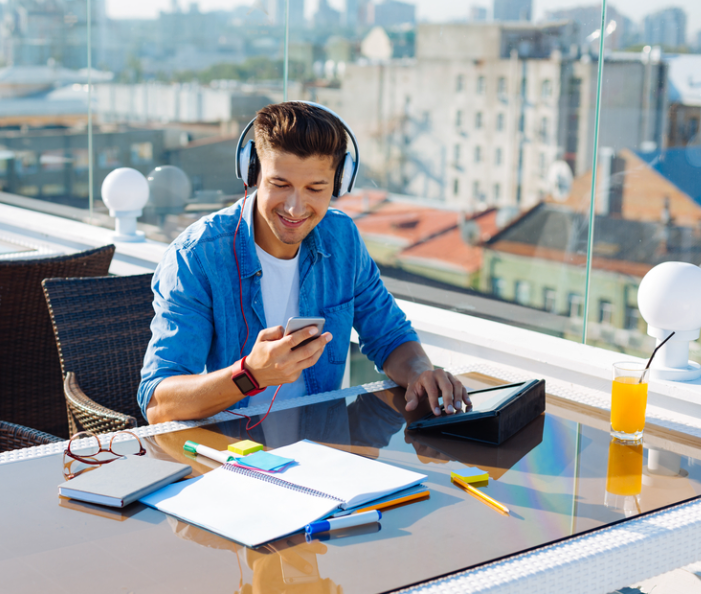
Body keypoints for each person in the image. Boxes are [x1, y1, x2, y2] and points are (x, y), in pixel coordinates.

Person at [138, 101, 470, 425]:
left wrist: (420, 372)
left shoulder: (342, 239)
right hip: (232, 456)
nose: (296, 209)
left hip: (324, 448)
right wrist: (250, 375)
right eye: (279, 185)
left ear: (339, 183)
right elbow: (157, 403)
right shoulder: (197, 256)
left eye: (315, 188)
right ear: (252, 172)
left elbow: (391, 336)